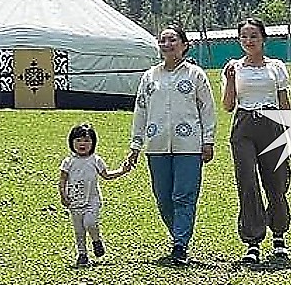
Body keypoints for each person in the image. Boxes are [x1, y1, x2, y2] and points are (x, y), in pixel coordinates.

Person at [122, 23, 217, 265]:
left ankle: (180, 244)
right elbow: (140, 111)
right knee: (163, 196)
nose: (167, 44)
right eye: (163, 40)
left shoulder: (195, 74)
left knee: (184, 195)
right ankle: (178, 235)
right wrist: (135, 144)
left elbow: (207, 109)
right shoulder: (149, 76)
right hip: (156, 145)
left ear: (184, 45)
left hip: (189, 145)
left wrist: (208, 141)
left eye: (172, 40)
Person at [222, 17, 291, 266]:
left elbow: (284, 102)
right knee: (247, 182)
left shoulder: (276, 67)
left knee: (277, 181)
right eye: (244, 37)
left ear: (263, 39)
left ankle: (279, 236)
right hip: (244, 125)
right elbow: (228, 106)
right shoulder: (233, 67)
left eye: (253, 36)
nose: (248, 41)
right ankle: (253, 241)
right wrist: (230, 81)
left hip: (272, 123)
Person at [59, 122, 127, 267]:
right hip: (74, 202)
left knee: (90, 223)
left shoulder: (96, 160)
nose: (82, 144)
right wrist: (63, 195)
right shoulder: (68, 162)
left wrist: (122, 170)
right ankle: (82, 254)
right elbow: (62, 180)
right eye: (78, 140)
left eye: (87, 140)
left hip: (92, 201)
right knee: (79, 231)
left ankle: (96, 240)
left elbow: (107, 175)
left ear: (93, 143)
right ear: (71, 142)